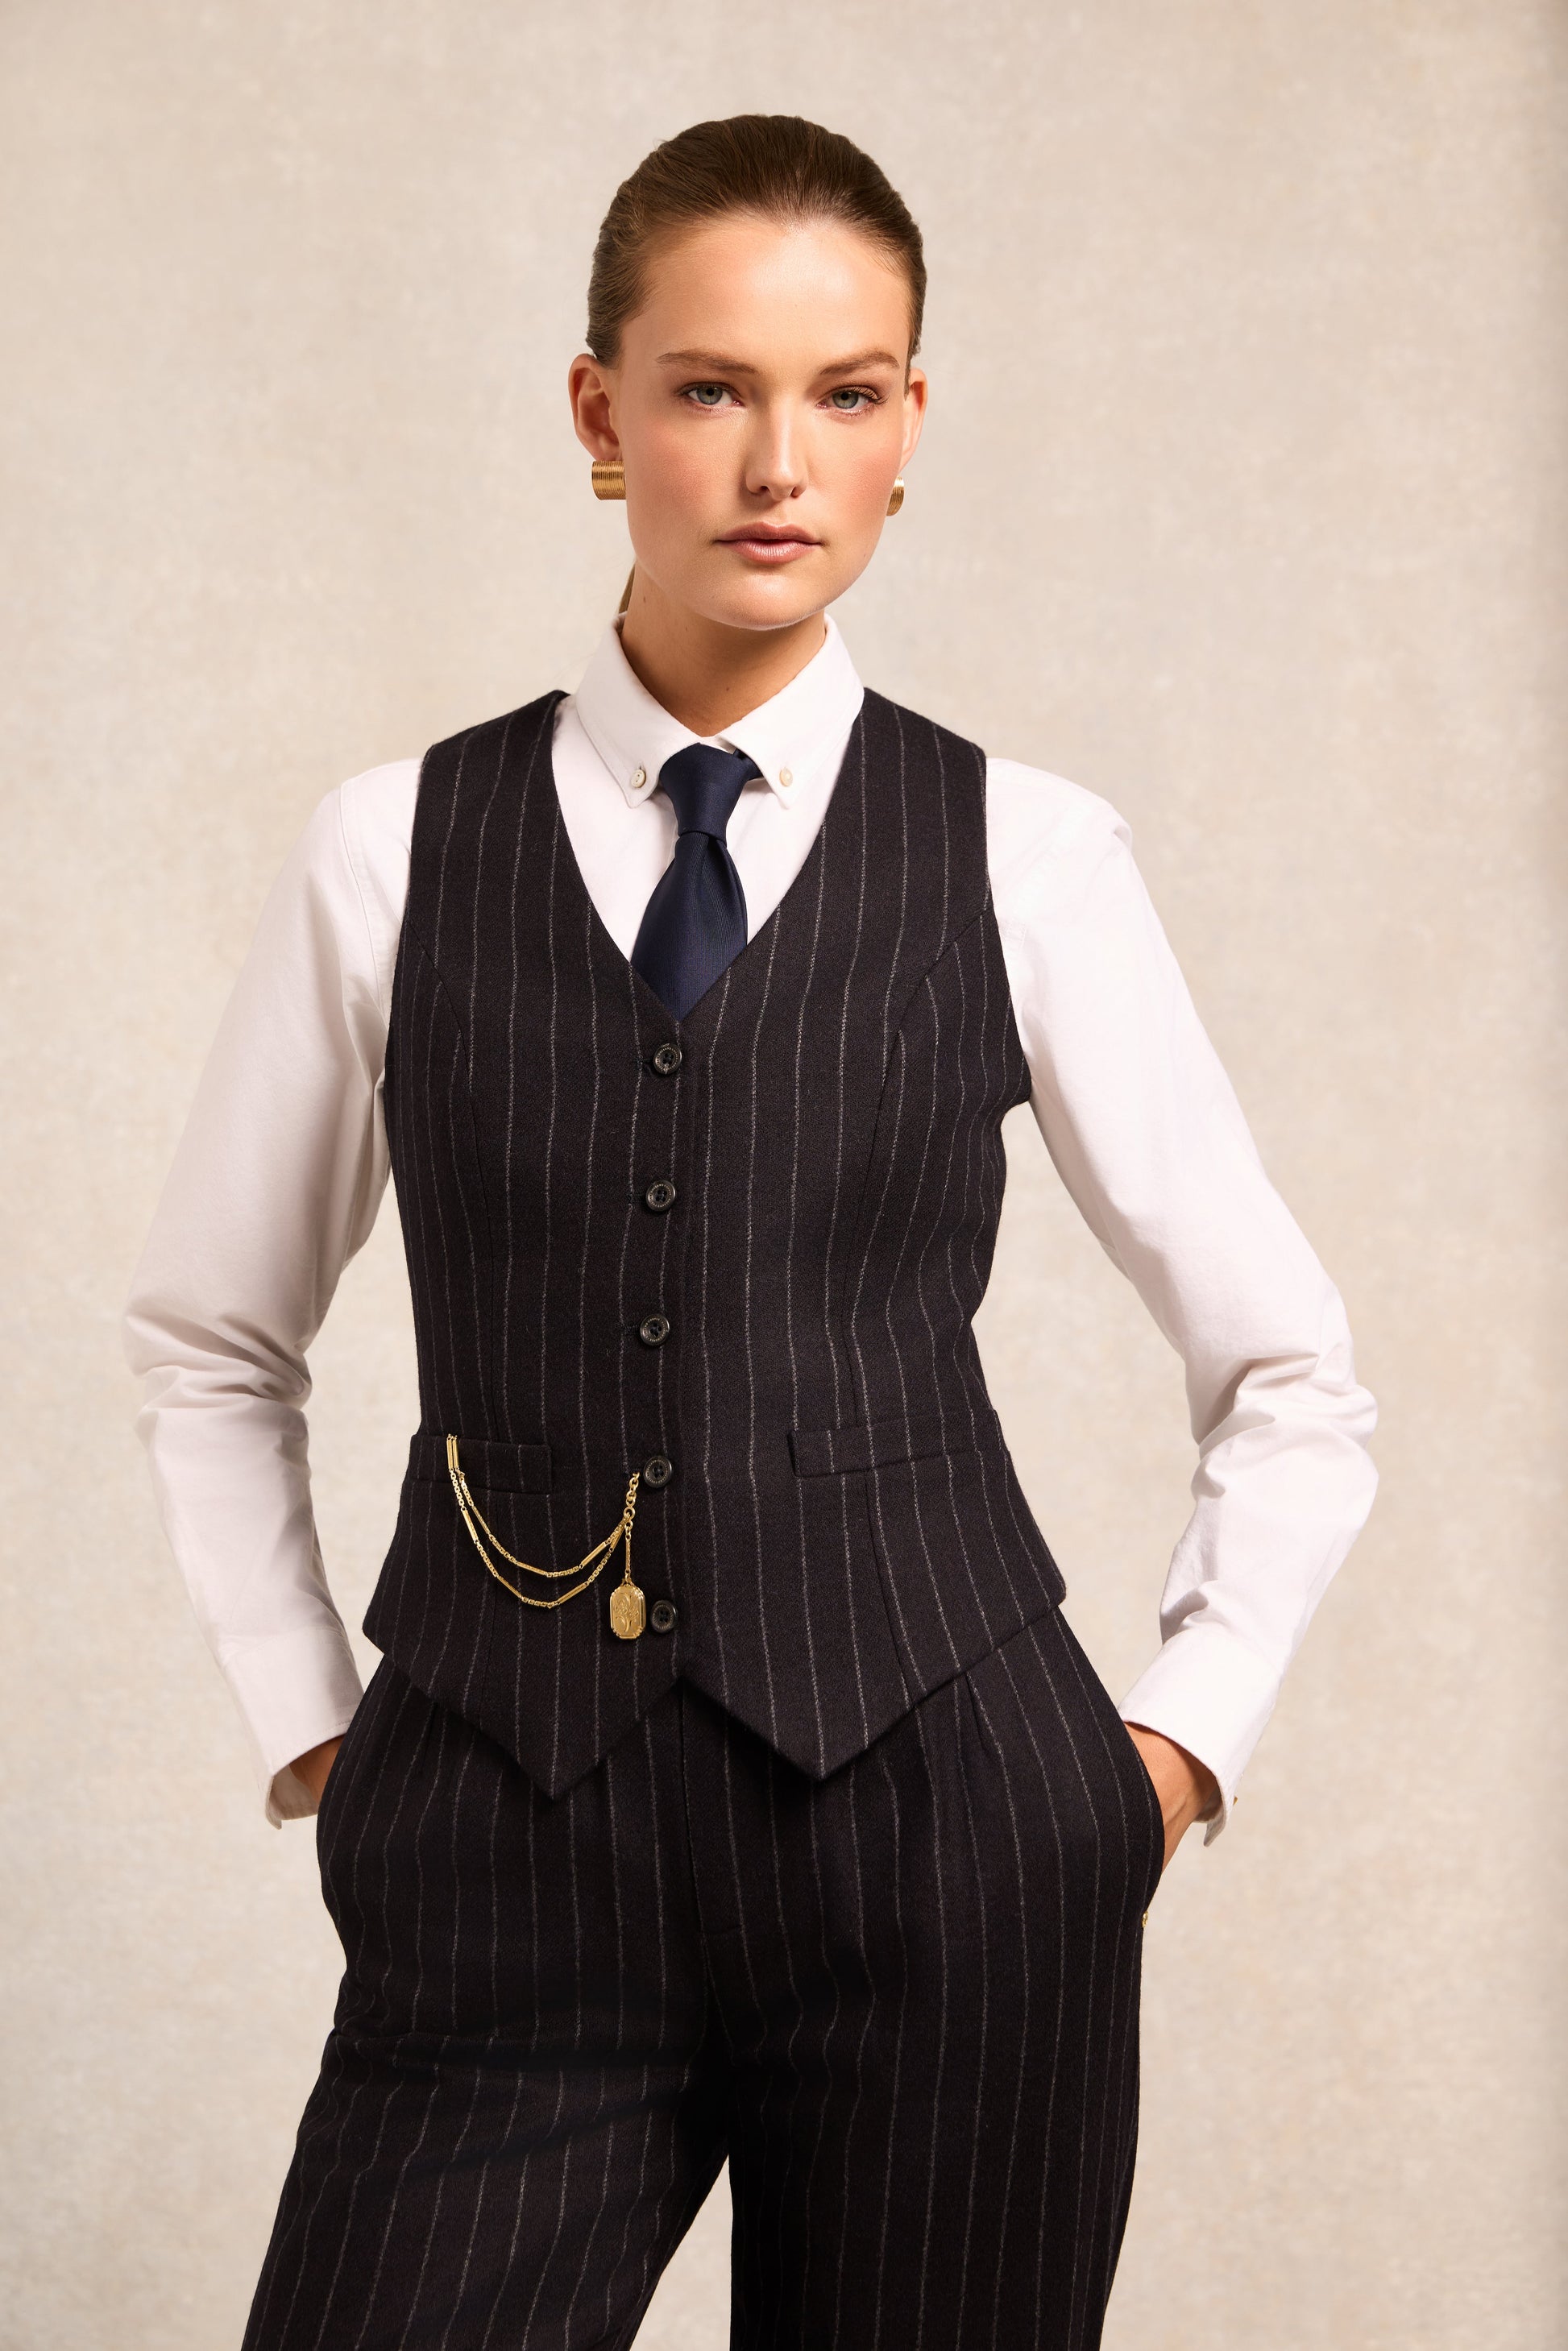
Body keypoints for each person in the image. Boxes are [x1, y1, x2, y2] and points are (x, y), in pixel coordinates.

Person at [124, 113, 1377, 2351]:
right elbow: (213, 1339)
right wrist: (313, 1719)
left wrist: (1162, 1759)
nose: (779, 462)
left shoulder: (1025, 855)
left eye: (846, 392)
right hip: (500, 1849)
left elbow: (1291, 1372)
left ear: (910, 428)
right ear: (599, 415)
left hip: (950, 1853)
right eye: (709, 388)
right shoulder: (391, 849)